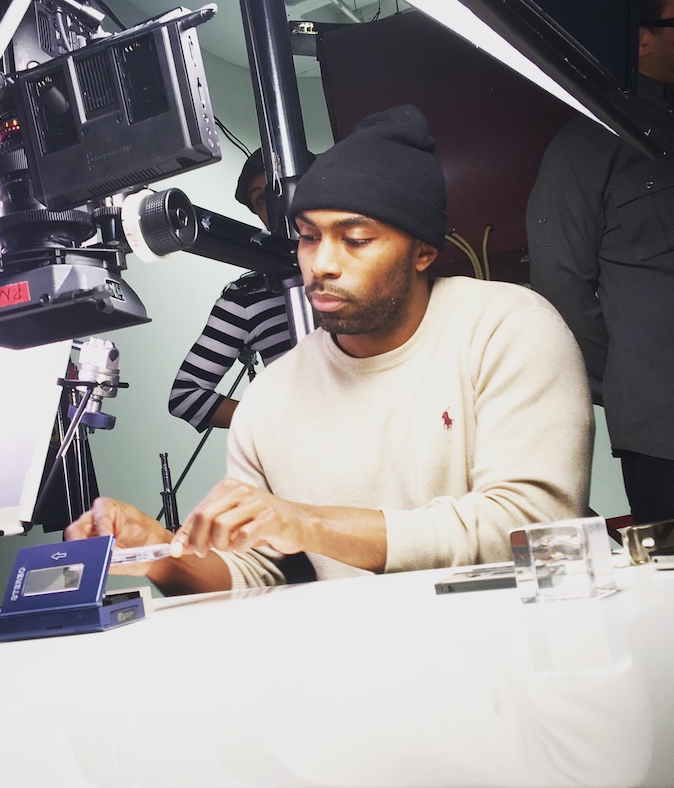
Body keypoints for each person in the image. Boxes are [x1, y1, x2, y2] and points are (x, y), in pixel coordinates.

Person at [67, 104, 593, 595]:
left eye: (356, 238)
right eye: (308, 237)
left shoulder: (507, 328)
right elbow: (256, 569)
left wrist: (309, 522)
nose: (322, 264)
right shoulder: (272, 395)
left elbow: (531, 527)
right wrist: (158, 554)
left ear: (423, 252)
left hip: (506, 657)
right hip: (359, 671)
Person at [526, 0, 674, 525]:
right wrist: (631, 379)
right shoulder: (590, 143)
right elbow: (559, 286)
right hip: (666, 434)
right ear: (643, 38)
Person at [167, 149, 293, 431]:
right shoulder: (247, 296)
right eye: (262, 198)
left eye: (281, 188)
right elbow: (186, 397)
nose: (275, 204)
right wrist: (284, 423)